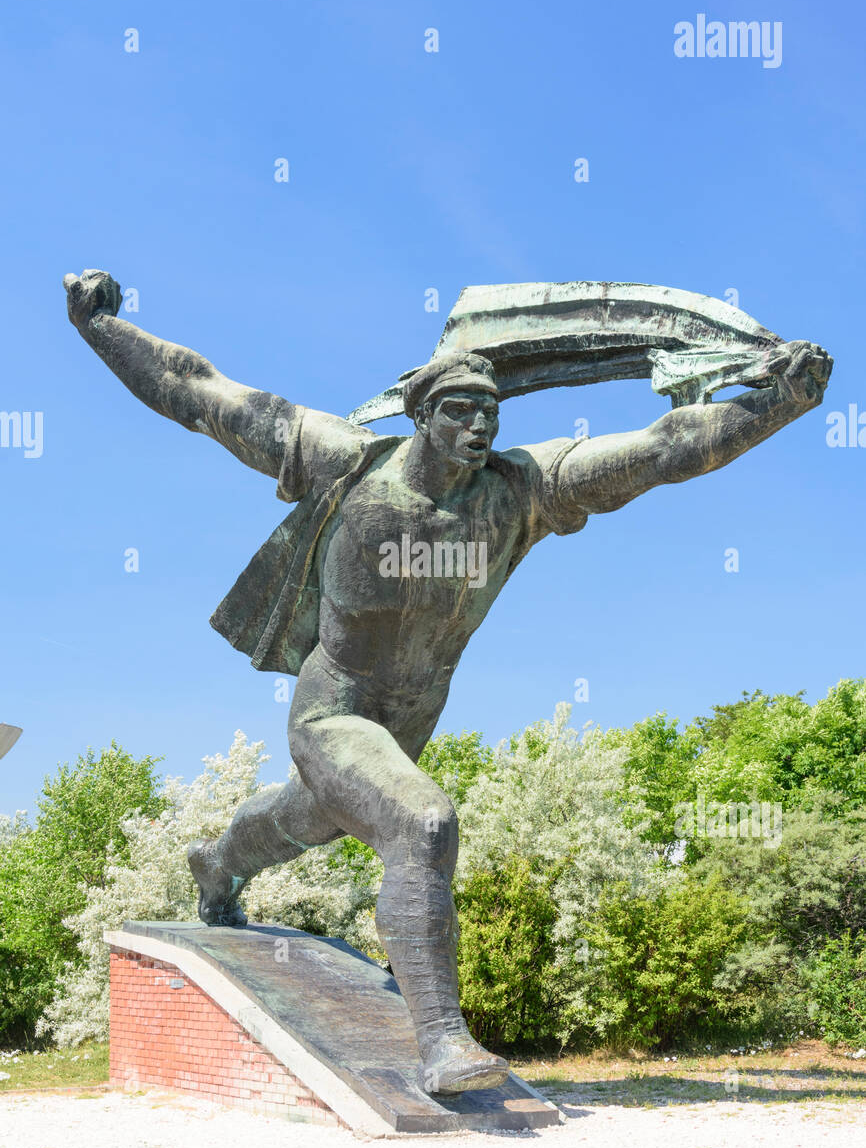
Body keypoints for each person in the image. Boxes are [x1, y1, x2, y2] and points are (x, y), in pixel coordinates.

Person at [64, 267, 832, 1093]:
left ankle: (218, 864)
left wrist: (778, 404)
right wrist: (102, 328)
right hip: (337, 712)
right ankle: (441, 1043)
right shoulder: (345, 462)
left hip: (410, 721)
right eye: (460, 411)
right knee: (423, 823)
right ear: (420, 415)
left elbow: (659, 451)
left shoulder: (521, 490)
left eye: (491, 414)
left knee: (309, 816)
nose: (479, 427)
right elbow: (201, 394)